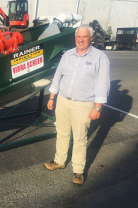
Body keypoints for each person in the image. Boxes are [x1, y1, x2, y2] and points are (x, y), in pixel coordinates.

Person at [44, 24, 110, 185]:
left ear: (91, 38)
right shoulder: (67, 55)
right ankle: (59, 161)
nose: (81, 40)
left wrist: (97, 107)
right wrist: (52, 97)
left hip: (83, 104)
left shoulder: (100, 57)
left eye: (84, 36)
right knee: (62, 132)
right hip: (63, 101)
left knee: (80, 138)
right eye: (78, 37)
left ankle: (78, 171)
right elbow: (58, 76)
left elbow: (103, 84)